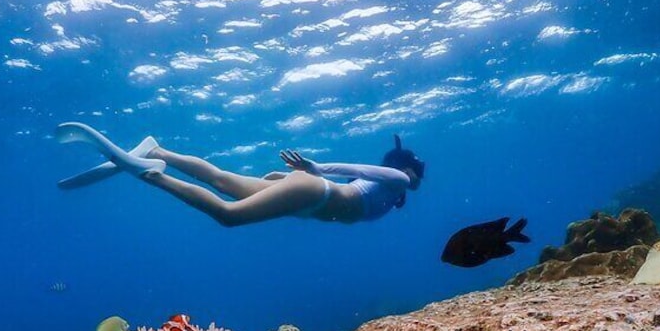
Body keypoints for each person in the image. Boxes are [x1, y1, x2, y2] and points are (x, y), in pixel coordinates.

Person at [56, 122, 425, 227]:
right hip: (315, 193)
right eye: (414, 169)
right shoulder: (400, 179)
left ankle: (157, 151)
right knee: (228, 215)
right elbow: (359, 170)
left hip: (308, 199)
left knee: (221, 179)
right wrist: (317, 168)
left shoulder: (394, 194)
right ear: (404, 166)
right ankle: (152, 174)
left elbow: (361, 181)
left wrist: (306, 177)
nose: (416, 176)